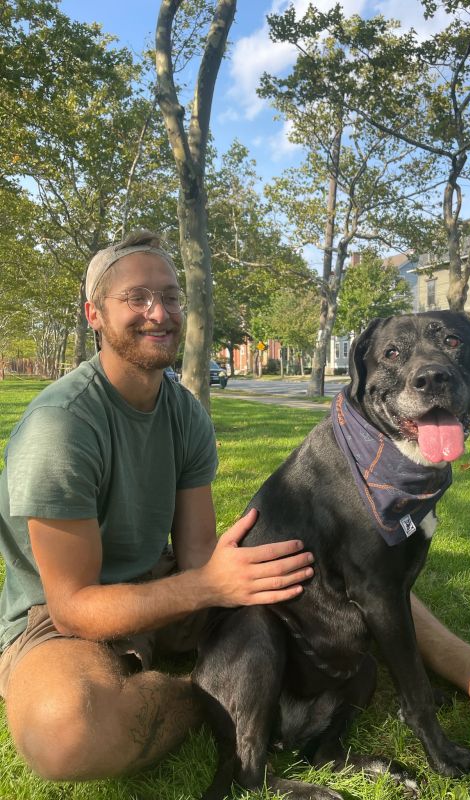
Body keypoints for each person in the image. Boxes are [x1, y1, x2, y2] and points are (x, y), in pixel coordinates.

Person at [0, 230, 315, 780]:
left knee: (325, 559)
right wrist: (210, 588)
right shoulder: (62, 426)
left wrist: (217, 580)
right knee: (65, 738)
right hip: (55, 619)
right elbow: (74, 606)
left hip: (160, 584)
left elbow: (196, 556)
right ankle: (208, 693)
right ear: (94, 313)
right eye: (137, 297)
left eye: (170, 296)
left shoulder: (184, 412)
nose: (160, 312)